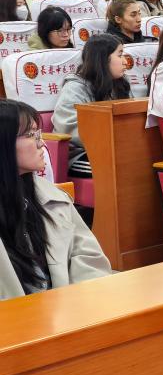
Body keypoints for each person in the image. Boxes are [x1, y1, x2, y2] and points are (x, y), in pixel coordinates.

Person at [0, 99, 112, 299]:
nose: (42, 143)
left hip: (68, 307)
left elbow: (87, 256)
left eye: (39, 134)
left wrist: (76, 304)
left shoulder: (50, 196)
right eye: (31, 135)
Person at [53, 34, 131, 176]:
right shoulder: (75, 87)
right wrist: (110, 140)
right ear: (103, 59)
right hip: (80, 153)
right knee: (121, 167)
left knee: (138, 160)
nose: (125, 61)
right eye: (120, 55)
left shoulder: (120, 85)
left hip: (114, 148)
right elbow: (67, 126)